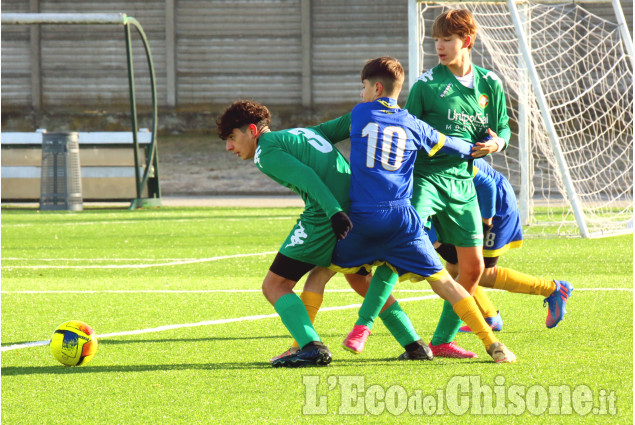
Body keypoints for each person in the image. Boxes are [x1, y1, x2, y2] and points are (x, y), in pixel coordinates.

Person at [216, 100, 434, 367]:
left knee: (274, 285)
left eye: (231, 138)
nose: (228, 147)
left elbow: (306, 176)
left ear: (252, 130)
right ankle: (415, 345)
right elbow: (351, 120)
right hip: (360, 208)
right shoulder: (306, 132)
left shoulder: (266, 152)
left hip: (327, 216)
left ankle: (311, 347)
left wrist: (333, 213)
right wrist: (382, 104)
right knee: (360, 280)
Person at [331, 56, 516, 363]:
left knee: (325, 268)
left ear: (375, 88)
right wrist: (474, 148)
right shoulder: (415, 113)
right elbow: (446, 142)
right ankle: (492, 343)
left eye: (363, 87)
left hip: (372, 215)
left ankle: (352, 331)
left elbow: (326, 134)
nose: (361, 93)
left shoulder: (360, 113)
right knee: (439, 278)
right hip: (410, 207)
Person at [402, 8, 515, 358]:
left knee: (474, 268)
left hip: (465, 183)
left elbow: (502, 128)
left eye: (446, 39)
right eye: (436, 39)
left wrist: (496, 143)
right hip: (427, 179)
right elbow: (407, 133)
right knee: (402, 245)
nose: (439, 45)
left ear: (466, 41)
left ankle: (441, 340)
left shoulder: (490, 83)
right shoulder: (426, 85)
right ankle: (369, 325)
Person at [427, 157, 573, 336]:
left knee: (480, 272)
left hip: (493, 203)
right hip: (468, 203)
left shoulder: (430, 153)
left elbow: (485, 183)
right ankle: (489, 317)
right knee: (455, 268)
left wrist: (485, 224)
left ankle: (552, 289)